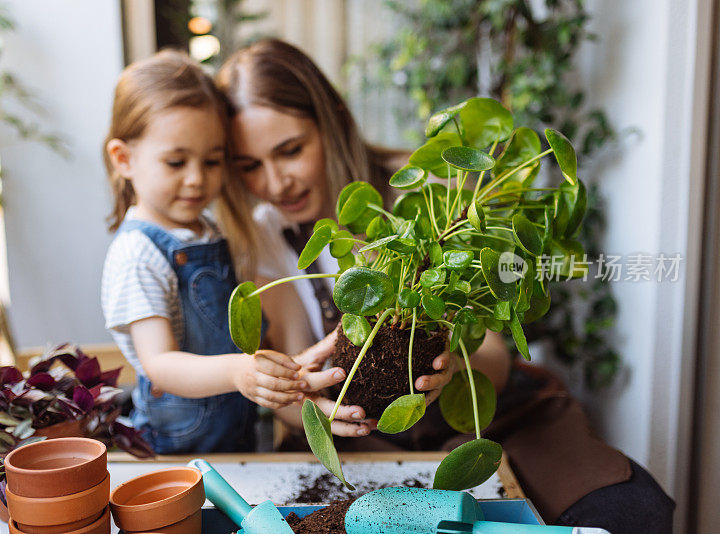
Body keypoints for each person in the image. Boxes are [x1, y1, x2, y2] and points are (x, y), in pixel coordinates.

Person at [217, 38, 674, 533]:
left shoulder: (424, 190)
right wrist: (311, 406)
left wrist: (453, 365)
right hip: (369, 438)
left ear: (330, 121)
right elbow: (293, 375)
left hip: (489, 419)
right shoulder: (267, 232)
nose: (276, 181)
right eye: (250, 166)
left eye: (290, 150)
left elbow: (496, 359)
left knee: (628, 510)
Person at [100, 49, 326, 454]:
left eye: (212, 161)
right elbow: (160, 364)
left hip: (237, 442)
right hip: (175, 456)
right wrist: (240, 371)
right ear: (123, 159)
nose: (196, 179)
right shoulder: (138, 253)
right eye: (175, 162)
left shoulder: (210, 233)